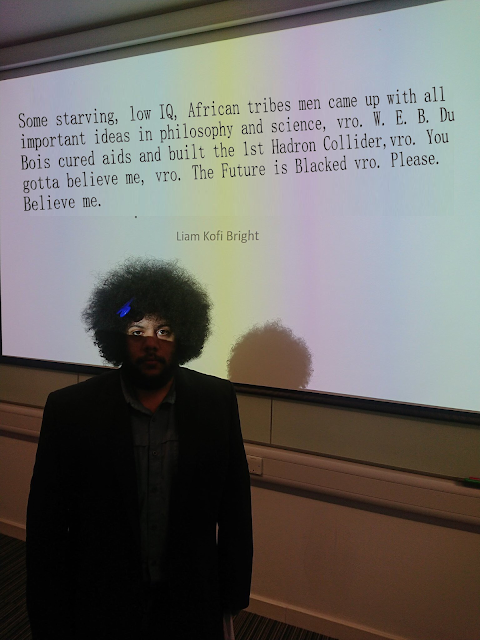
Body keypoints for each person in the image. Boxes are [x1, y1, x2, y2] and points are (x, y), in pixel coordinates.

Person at [26, 258, 253, 640]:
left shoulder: (216, 400)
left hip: (189, 600)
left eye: (164, 330)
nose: (151, 342)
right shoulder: (70, 410)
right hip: (102, 602)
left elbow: (235, 507)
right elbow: (46, 526)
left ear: (184, 335)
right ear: (118, 337)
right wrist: (47, 615)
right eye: (137, 330)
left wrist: (232, 593)